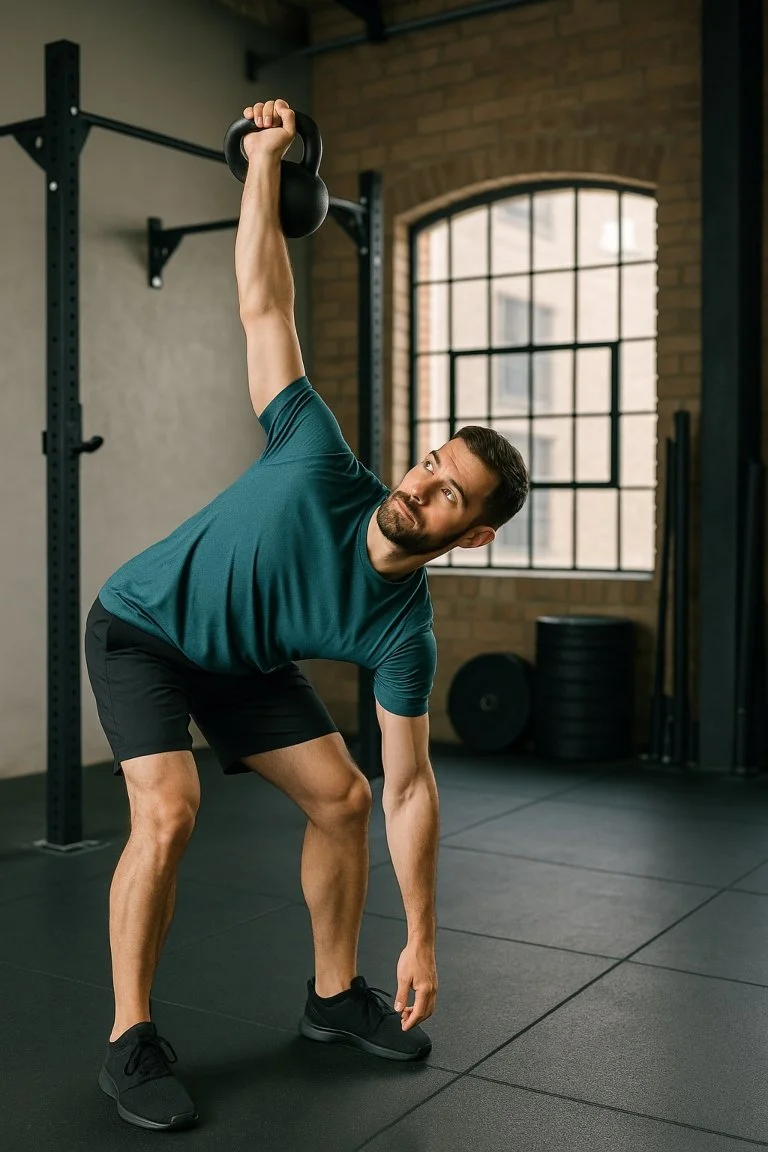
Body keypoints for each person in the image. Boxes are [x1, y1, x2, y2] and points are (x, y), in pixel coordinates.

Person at [85, 99, 529, 1132]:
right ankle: (128, 1038)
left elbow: (410, 789)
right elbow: (261, 305)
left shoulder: (402, 633)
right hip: (144, 625)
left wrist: (422, 938)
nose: (422, 487)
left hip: (242, 662)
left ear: (470, 538)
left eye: (450, 494)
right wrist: (263, 160)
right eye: (431, 462)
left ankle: (334, 996)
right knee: (170, 808)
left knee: (344, 799)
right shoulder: (315, 455)